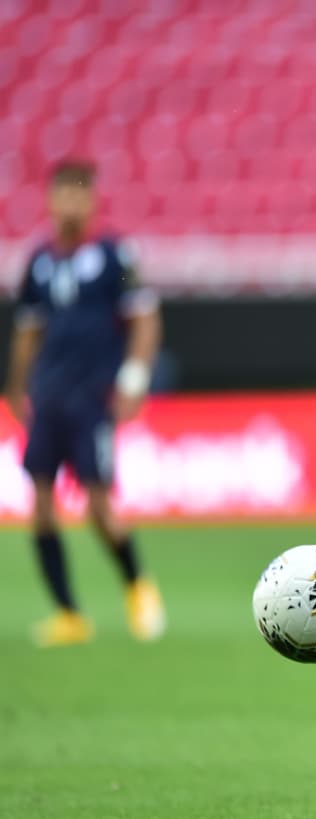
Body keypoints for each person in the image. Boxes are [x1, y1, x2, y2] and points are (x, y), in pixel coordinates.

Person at [5, 160, 166, 647]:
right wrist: (16, 386)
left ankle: (138, 585)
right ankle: (69, 613)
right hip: (48, 398)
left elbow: (144, 320)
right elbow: (29, 331)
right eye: (63, 194)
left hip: (92, 398)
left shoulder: (115, 256)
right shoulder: (38, 261)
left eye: (80, 194)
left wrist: (134, 377)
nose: (71, 203)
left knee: (98, 506)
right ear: (50, 201)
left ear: (93, 202)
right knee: (40, 503)